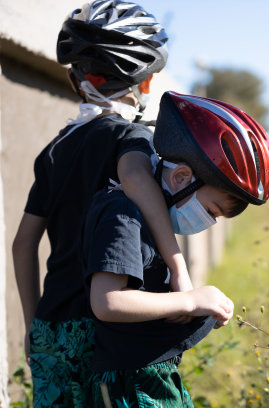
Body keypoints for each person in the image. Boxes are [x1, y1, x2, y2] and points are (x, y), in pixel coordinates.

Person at [11, 1, 191, 406]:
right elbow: (134, 178)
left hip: (52, 329)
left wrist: (32, 325)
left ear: (77, 82)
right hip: (104, 329)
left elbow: (23, 243)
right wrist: (178, 268)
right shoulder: (133, 138)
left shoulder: (54, 149)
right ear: (145, 85)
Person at [82, 91, 269, 406]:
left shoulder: (147, 218)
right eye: (212, 211)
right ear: (182, 177)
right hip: (128, 387)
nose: (209, 223)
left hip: (148, 377)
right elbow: (106, 302)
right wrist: (188, 301)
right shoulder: (123, 216)